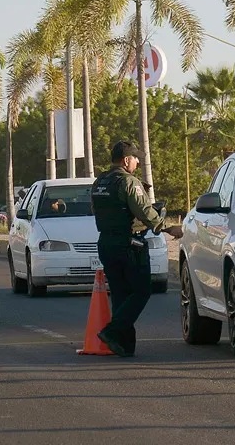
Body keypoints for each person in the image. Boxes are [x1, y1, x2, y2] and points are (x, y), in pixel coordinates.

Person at [91, 140, 183, 357]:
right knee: (142, 291)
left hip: (106, 243)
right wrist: (167, 228)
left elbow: (96, 210)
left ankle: (124, 345)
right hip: (129, 244)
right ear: (125, 160)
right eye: (135, 159)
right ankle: (112, 332)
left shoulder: (100, 182)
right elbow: (144, 211)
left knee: (122, 294)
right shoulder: (129, 183)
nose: (137, 163)